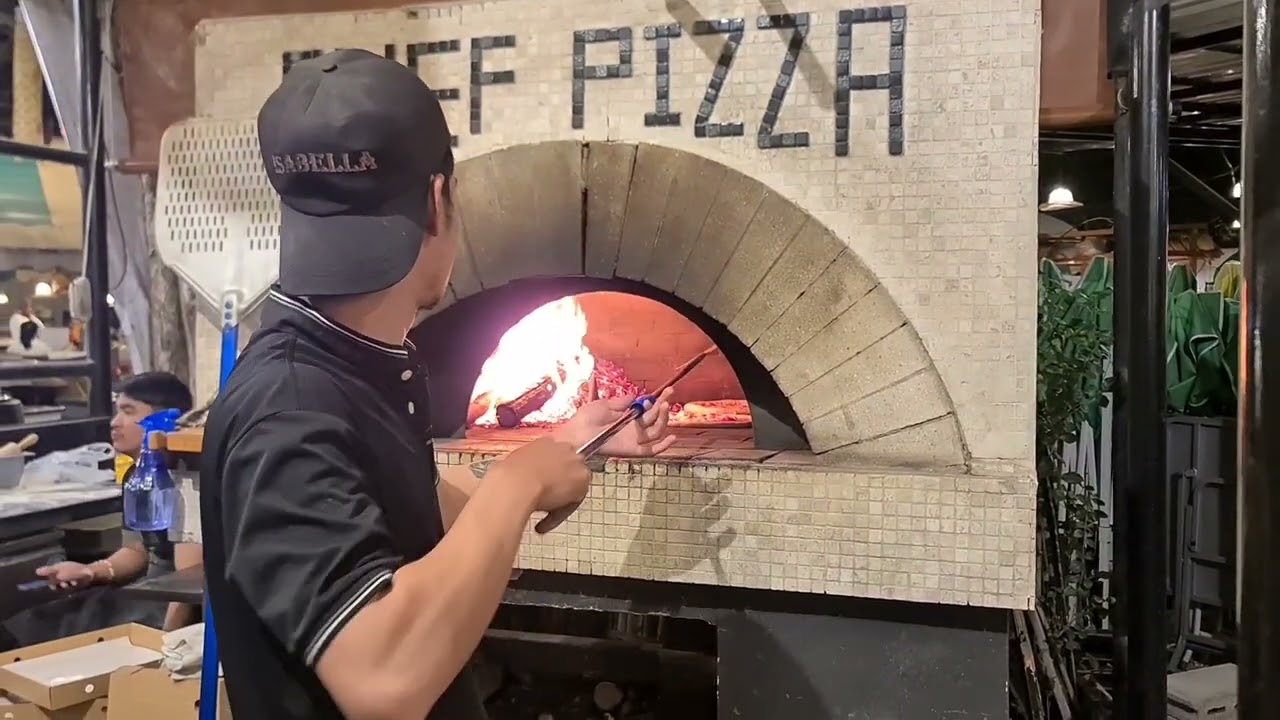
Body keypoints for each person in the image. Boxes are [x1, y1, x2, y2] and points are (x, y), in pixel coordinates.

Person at [199, 49, 676, 720]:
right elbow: (383, 680)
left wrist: (568, 444)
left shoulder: (352, 366)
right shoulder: (291, 406)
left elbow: (420, 531)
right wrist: (521, 483)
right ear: (438, 199)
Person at [0, 372, 199, 650]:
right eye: (117, 411)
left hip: (168, 608)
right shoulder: (136, 478)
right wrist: (89, 572)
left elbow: (189, 584)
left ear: (165, 421)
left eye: (128, 412)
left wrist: (166, 651)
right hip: (141, 593)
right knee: (22, 625)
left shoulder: (188, 483)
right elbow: (137, 552)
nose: (114, 423)